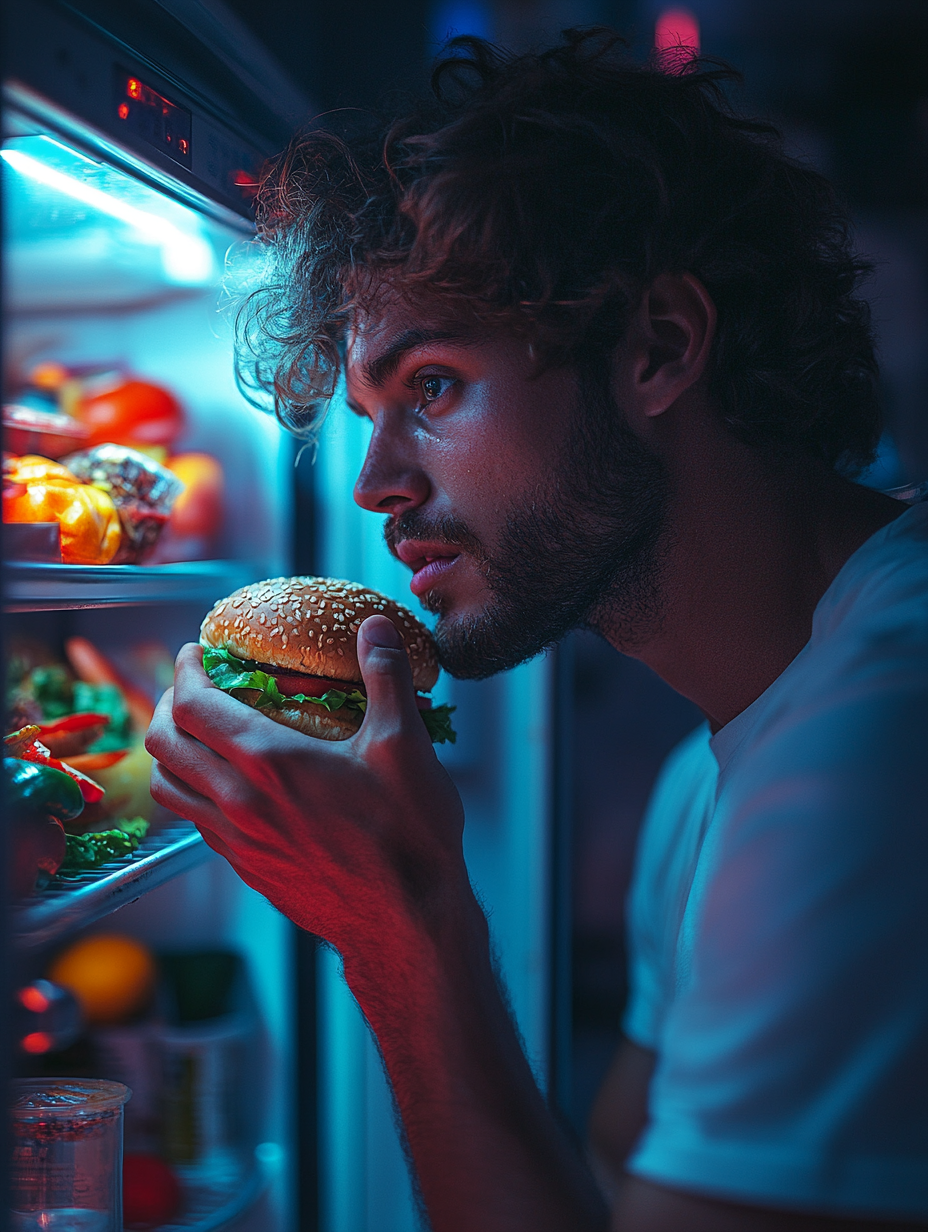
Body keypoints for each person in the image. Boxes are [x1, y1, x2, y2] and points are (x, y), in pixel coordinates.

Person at [146, 31, 928, 1232]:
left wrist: (402, 926)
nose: (372, 484)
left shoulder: (869, 752)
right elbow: (616, 1184)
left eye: (433, 387)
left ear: (660, 347)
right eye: (366, 411)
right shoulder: (717, 773)